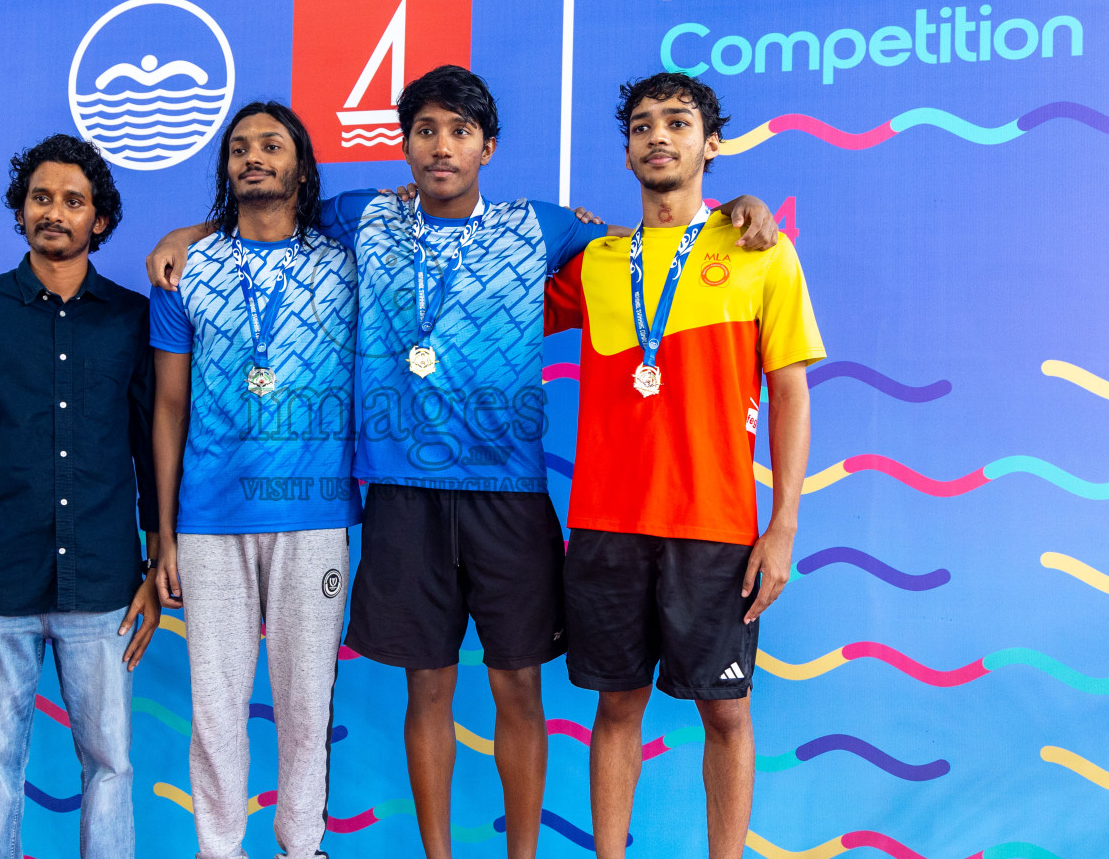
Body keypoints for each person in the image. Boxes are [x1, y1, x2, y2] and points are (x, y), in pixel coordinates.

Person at [147, 66, 778, 859]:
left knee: (518, 686)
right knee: (429, 688)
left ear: (488, 146)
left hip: (508, 496)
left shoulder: (542, 228)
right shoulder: (365, 219)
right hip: (404, 498)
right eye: (424, 131)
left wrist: (739, 211)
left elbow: (650, 245)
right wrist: (189, 236)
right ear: (405, 145)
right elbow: (270, 216)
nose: (440, 147)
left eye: (458, 132)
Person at [543, 72, 824, 859]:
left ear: (712, 143)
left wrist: (784, 526)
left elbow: (791, 394)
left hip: (716, 526)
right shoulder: (597, 259)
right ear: (628, 150)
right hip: (605, 523)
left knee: (727, 715)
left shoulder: (759, 249)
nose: (657, 136)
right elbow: (500, 295)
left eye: (677, 122)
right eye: (640, 125)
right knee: (615, 709)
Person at [0, 133, 162, 859]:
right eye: (41, 198)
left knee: (111, 766)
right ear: (21, 212)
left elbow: (152, 452)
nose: (55, 212)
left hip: (107, 587)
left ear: (100, 221)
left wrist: (155, 565)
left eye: (73, 201)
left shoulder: (132, 319)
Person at [148, 102, 360, 859]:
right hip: (209, 521)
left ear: (301, 165)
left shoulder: (346, 262)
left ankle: (302, 848)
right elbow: (168, 408)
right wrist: (164, 535)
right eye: (238, 148)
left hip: (313, 515)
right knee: (215, 709)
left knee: (307, 708)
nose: (253, 157)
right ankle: (219, 849)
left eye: (271, 145)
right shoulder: (184, 270)